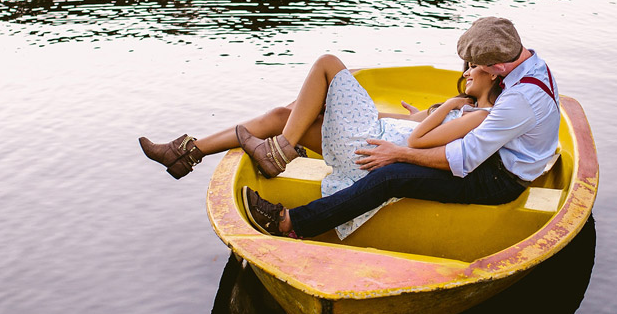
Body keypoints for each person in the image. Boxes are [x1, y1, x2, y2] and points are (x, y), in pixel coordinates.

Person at [242, 16, 561, 239]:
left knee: (388, 177)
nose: (469, 71)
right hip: (502, 152)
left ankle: (290, 223)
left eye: (478, 66)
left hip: (498, 178)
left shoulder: (520, 100)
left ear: (499, 69)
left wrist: (400, 154)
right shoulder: (530, 61)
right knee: (389, 158)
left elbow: (465, 159)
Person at [139, 46, 504, 237]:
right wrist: (422, 113)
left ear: (491, 73)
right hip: (373, 140)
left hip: (371, 150)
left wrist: (447, 107)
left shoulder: (478, 116)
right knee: (287, 115)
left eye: (473, 68)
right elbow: (413, 126)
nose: (466, 73)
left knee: (327, 64)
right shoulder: (465, 110)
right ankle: (185, 152)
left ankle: (279, 152)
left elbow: (419, 139)